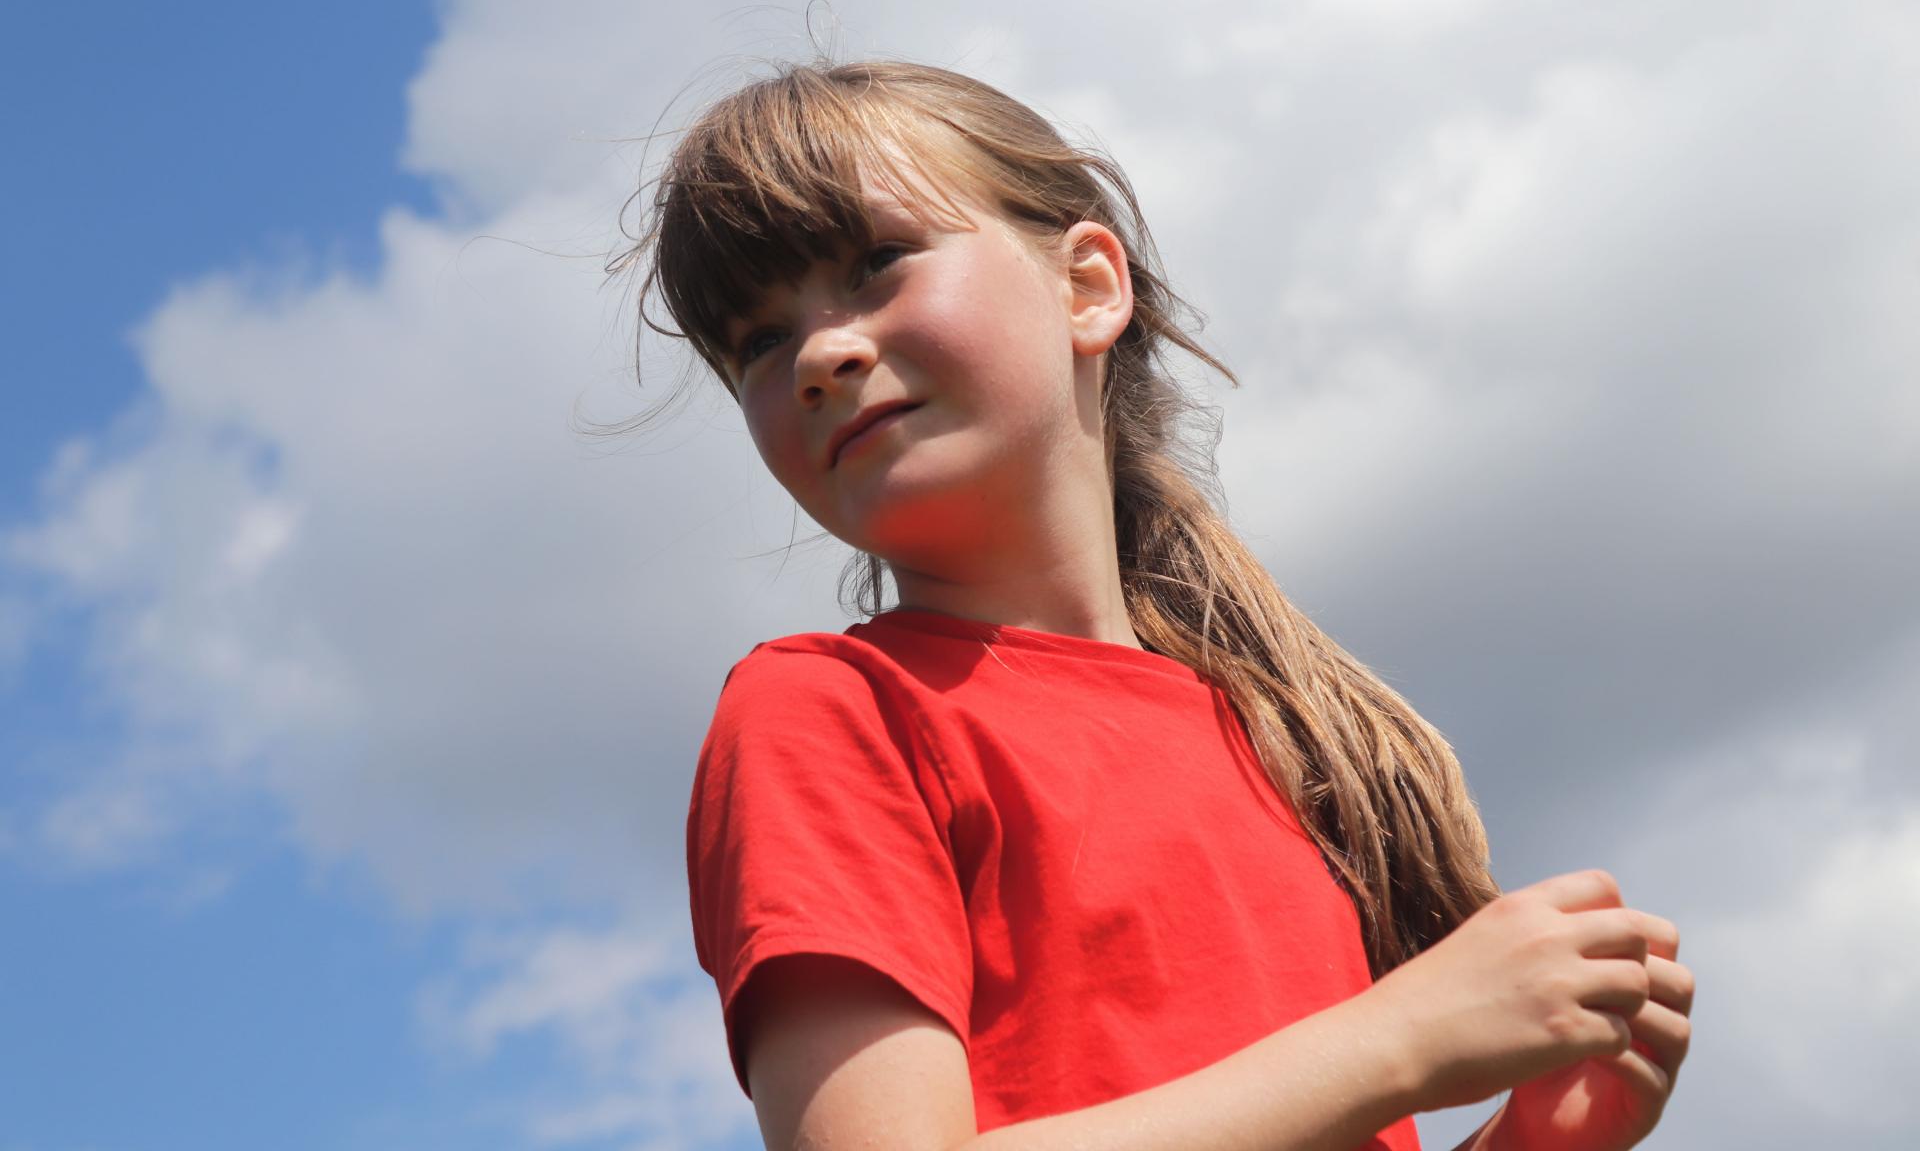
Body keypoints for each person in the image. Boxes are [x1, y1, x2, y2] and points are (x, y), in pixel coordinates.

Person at [613, 57, 1694, 1151]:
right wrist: (1400, 1041)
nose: (817, 354)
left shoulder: (1276, 740)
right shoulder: (829, 711)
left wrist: (1538, 1144)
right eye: (757, 341)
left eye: (879, 262)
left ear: (1087, 286)